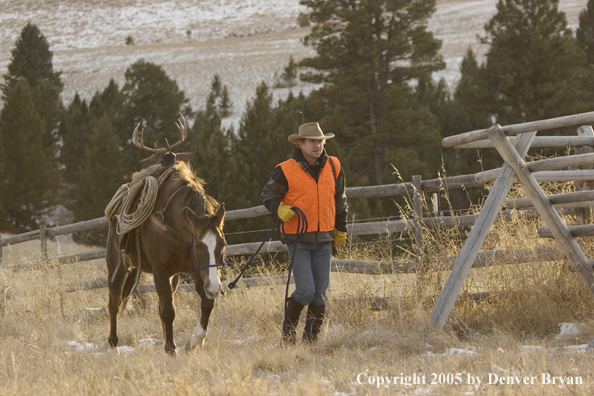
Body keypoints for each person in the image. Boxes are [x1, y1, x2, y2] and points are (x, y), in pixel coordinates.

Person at [260, 122, 348, 344]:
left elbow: (340, 200)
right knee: (306, 291)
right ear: (301, 144)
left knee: (320, 294)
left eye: (320, 141)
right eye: (312, 141)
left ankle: (310, 343)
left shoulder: (334, 166)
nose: (318, 145)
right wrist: (278, 209)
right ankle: (288, 336)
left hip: (325, 239)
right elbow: (267, 195)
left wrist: (341, 228)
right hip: (298, 239)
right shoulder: (285, 169)